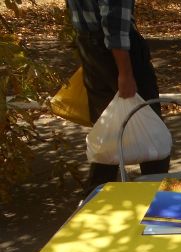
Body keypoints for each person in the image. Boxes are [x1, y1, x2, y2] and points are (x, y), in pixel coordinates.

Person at [66, 0, 170, 195]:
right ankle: (157, 200)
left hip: (90, 46)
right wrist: (125, 73)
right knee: (151, 132)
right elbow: (114, 19)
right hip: (117, 52)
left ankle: (94, 199)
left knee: (108, 134)